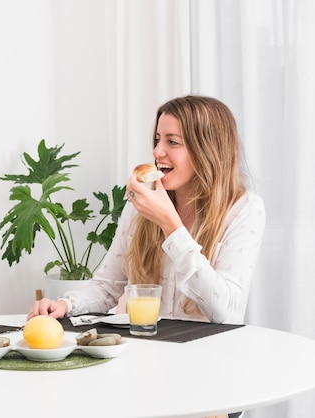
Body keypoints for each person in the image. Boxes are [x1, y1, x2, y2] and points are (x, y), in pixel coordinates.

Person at [28, 95, 265, 325]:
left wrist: (171, 226)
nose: (157, 152)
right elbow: (106, 287)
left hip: (211, 356)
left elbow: (226, 311)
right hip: (150, 351)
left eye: (172, 142)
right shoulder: (141, 207)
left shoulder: (244, 210)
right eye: (157, 140)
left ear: (208, 151)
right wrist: (65, 305)